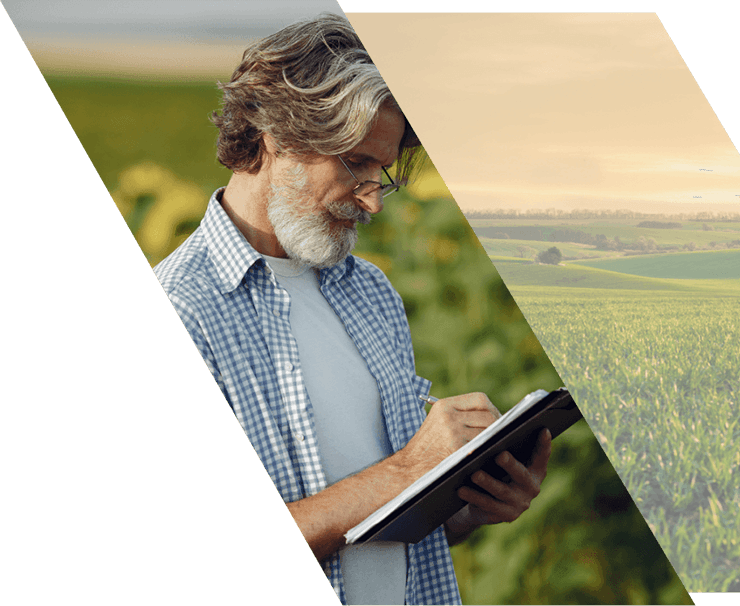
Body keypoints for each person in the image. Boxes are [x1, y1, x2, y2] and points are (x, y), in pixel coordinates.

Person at [153, 13, 551, 606]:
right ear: (277, 135)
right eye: (355, 164)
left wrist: (469, 503)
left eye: (381, 172)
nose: (373, 200)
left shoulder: (369, 291)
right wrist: (411, 466)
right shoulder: (182, 310)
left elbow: (384, 527)